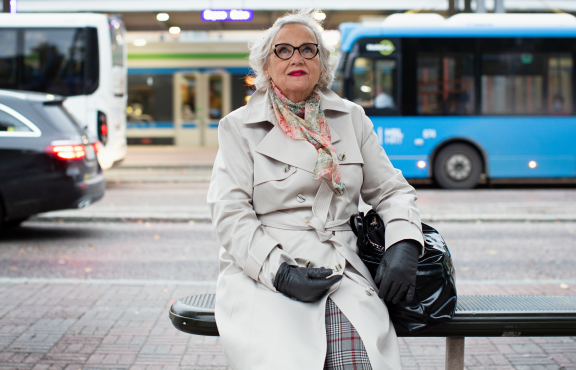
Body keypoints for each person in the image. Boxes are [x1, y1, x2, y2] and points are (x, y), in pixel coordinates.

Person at [207, 9, 424, 370]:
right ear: (265, 65)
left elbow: (392, 191)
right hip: (264, 271)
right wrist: (280, 272)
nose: (297, 58)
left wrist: (403, 243)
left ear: (322, 64)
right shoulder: (238, 127)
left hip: (341, 267)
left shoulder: (351, 117)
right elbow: (230, 214)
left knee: (357, 359)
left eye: (308, 50)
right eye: (283, 50)